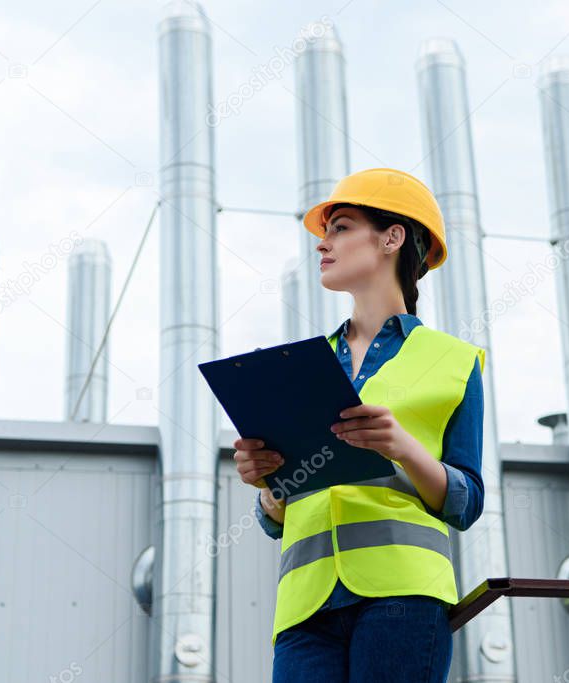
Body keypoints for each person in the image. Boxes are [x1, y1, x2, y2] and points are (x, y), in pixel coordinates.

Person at [232, 167, 487, 682]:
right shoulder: (300, 366)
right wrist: (269, 484)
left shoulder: (455, 361)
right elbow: (277, 516)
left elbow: (468, 501)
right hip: (305, 607)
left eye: (341, 227)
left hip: (402, 597)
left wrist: (404, 448)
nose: (323, 244)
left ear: (392, 237)